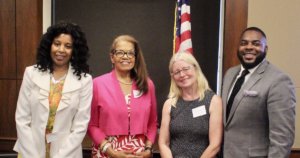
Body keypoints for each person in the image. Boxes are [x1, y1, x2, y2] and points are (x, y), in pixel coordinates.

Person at [13, 21, 93, 158]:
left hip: (67, 153)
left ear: (74, 51)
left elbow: (80, 127)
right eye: (57, 44)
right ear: (49, 45)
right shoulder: (31, 73)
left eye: (68, 46)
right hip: (30, 150)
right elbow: (22, 119)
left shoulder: (85, 80)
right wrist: (32, 155)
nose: (61, 50)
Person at [222, 27, 296, 158]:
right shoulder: (230, 74)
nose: (249, 47)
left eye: (256, 44)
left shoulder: (278, 80)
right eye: (244, 43)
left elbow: (282, 138)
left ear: (266, 49)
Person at [88, 35, 158, 158]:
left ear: (135, 57)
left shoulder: (147, 84)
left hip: (139, 154)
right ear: (112, 57)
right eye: (120, 52)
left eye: (130, 53)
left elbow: (152, 123)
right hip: (107, 152)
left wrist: (148, 149)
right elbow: (91, 124)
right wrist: (111, 152)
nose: (125, 56)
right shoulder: (97, 84)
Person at [159, 52, 223, 157]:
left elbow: (215, 145)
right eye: (177, 72)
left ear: (195, 68)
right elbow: (163, 143)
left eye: (185, 69)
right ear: (173, 77)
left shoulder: (213, 101)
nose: (182, 75)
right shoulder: (169, 104)